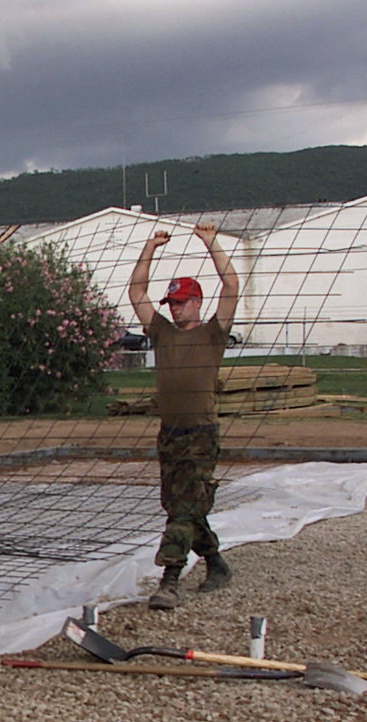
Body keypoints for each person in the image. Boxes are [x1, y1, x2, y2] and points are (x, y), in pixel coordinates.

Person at [128, 222, 239, 610]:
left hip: (201, 435)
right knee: (180, 506)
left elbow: (231, 287)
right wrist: (149, 248)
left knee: (182, 509)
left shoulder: (212, 333)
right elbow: (136, 292)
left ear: (197, 302)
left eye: (180, 302)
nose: (174, 308)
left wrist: (211, 243)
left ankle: (170, 581)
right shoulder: (161, 332)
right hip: (169, 434)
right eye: (171, 303)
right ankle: (216, 563)